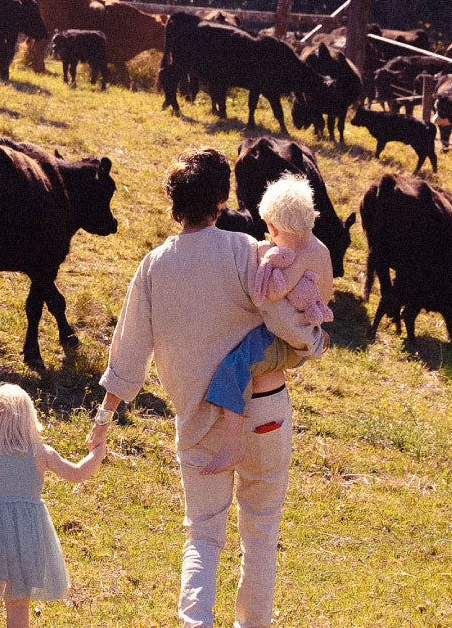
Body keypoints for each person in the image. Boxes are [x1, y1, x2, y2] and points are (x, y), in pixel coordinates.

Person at [87, 147, 327, 628]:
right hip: (267, 412)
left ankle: (195, 622)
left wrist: (103, 420)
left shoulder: (154, 267)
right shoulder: (246, 251)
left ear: (175, 204)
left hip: (198, 422)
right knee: (260, 531)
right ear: (222, 199)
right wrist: (313, 341)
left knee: (203, 534)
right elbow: (285, 322)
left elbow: (128, 353)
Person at [0, 383, 107, 628]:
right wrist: (97, 454)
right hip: (27, 534)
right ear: (28, 417)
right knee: (19, 600)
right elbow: (77, 474)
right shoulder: (41, 452)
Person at [200, 174, 334, 477]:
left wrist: (266, 261)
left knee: (233, 367)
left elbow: (272, 294)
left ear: (273, 227)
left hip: (285, 341)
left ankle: (232, 444)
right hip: (304, 333)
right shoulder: (320, 249)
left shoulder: (297, 257)